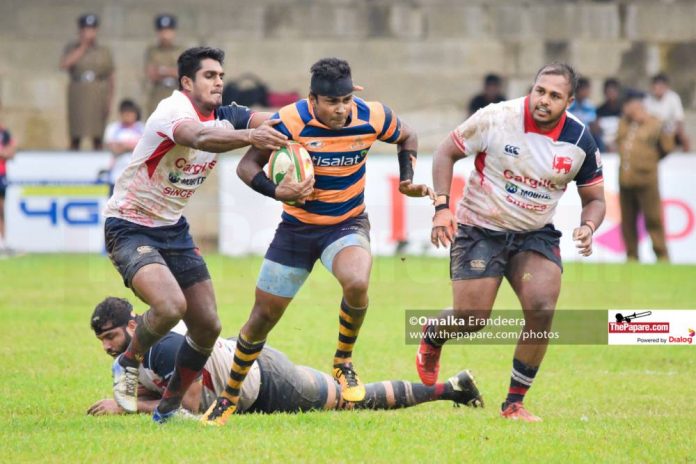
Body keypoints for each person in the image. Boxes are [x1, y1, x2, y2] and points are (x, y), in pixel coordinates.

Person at [201, 57, 434, 426]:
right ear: (313, 100)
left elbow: (408, 135)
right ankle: (228, 397)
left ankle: (343, 361)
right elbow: (247, 167)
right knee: (261, 318)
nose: (341, 110)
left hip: (346, 223)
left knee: (357, 281)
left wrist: (407, 178)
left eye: (345, 100)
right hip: (297, 230)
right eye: (332, 103)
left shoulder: (372, 115)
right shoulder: (290, 120)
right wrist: (279, 190)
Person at [103, 46, 292, 424]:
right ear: (187, 82)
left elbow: (278, 120)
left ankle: (169, 410)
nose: (218, 81)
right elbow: (200, 138)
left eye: (221, 75)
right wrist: (253, 135)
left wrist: (321, 115)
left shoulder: (228, 114)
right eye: (209, 76)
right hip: (129, 224)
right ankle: (127, 362)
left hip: (172, 229)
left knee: (207, 325)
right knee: (171, 307)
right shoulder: (172, 112)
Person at [418, 63, 606, 422]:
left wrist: (588, 225)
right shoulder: (497, 117)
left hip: (533, 233)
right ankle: (432, 336)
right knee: (472, 318)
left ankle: (514, 403)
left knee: (542, 309)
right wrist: (442, 207)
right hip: (480, 227)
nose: (544, 100)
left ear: (569, 101)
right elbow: (445, 152)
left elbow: (595, 198)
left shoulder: (581, 140)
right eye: (540, 91)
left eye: (554, 96)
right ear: (531, 89)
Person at [87, 297, 483, 417]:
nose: (108, 346)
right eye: (102, 340)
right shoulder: (129, 358)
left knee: (349, 401)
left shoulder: (163, 347)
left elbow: (185, 407)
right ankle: (454, 388)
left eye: (111, 336)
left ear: (135, 325)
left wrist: (128, 408)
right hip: (250, 375)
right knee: (349, 401)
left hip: (267, 382)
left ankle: (451, 388)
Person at [616, 89, 674, 262]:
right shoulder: (623, 123)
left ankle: (662, 255)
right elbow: (619, 142)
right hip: (625, 179)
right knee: (627, 221)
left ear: (638, 104)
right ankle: (632, 256)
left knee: (653, 218)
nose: (625, 108)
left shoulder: (654, 122)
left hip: (647, 179)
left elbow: (667, 147)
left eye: (628, 104)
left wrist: (648, 161)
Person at [59, 14, 114, 151]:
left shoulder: (103, 51)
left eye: (91, 29)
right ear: (80, 31)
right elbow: (64, 65)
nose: (88, 33)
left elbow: (111, 76)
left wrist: (109, 100)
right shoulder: (72, 47)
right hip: (78, 92)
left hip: (97, 92)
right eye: (85, 29)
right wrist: (83, 47)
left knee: (97, 135)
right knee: (76, 134)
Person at [145, 14, 185, 117]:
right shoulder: (152, 51)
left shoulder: (180, 51)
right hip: (157, 97)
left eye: (168, 31)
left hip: (177, 97)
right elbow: (152, 75)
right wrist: (173, 71)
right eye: (162, 31)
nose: (165, 35)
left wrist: (163, 71)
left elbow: (183, 73)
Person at [103, 99, 145, 194]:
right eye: (125, 112)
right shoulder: (113, 128)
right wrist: (133, 145)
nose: (128, 115)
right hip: (116, 176)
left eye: (131, 112)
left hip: (137, 178)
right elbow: (115, 148)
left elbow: (145, 149)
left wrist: (123, 145)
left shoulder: (142, 128)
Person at [644, 73, 691, 152]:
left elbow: (679, 118)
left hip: (671, 128)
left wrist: (678, 131)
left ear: (666, 87)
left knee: (683, 137)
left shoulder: (673, 98)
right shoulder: (647, 100)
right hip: (654, 128)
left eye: (661, 87)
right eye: (656, 86)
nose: (658, 89)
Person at [0, 99, 17, 256]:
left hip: (1, 174)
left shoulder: (4, 132)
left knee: (1, 209)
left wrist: (4, 152)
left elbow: (11, 152)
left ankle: (2, 243)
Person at [568, 77, 603, 151]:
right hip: (572, 134)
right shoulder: (570, 106)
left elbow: (593, 123)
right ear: (577, 90)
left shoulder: (590, 106)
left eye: (588, 89)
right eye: (584, 90)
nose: (587, 92)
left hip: (587, 135)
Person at [596, 78, 623, 153]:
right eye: (609, 92)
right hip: (604, 146)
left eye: (613, 91)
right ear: (604, 93)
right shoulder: (599, 111)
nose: (611, 94)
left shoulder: (623, 110)